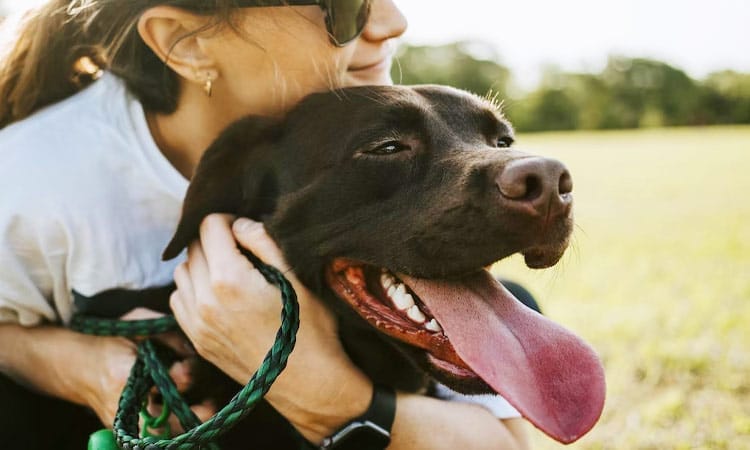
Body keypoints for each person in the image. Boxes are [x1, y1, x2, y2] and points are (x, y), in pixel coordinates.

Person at [0, 1, 531, 449]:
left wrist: (326, 393)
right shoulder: (30, 181)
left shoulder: (363, 112)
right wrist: (85, 367)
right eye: (342, 7)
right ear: (186, 43)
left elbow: (505, 443)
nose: (392, 22)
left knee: (513, 298)